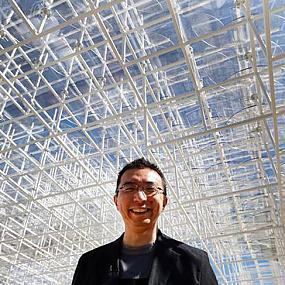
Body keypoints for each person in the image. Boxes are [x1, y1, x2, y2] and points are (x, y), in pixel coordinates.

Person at [72, 158, 218, 285]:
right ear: (116, 201)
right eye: (129, 188)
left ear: (164, 202)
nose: (140, 198)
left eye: (150, 188)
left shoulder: (193, 263)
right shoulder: (90, 264)